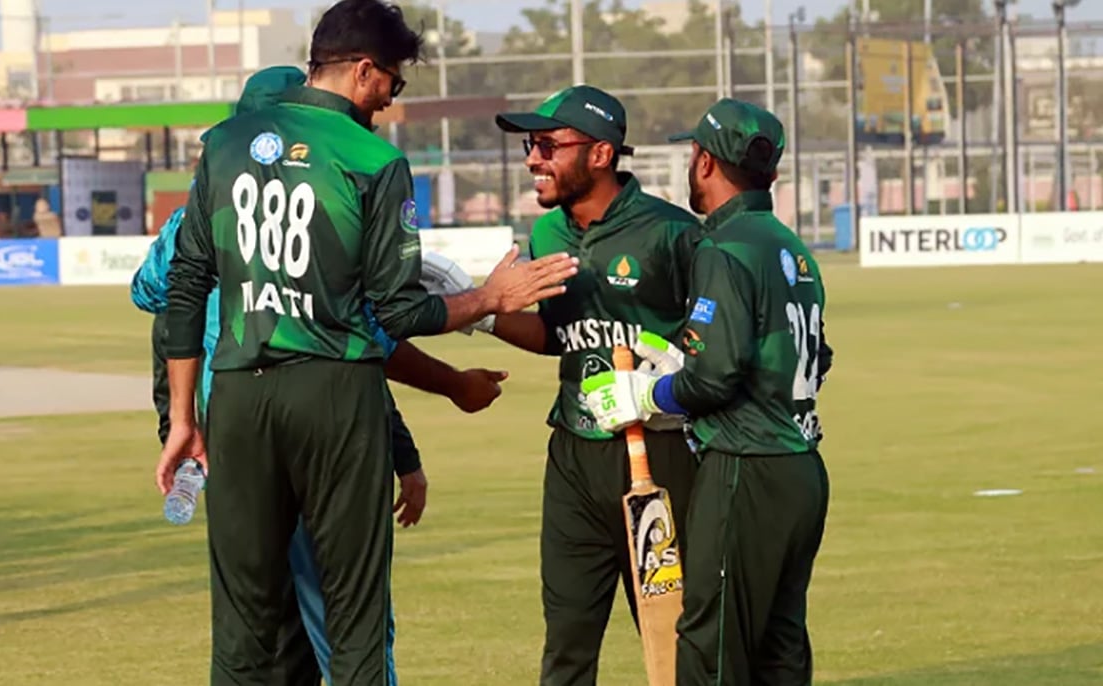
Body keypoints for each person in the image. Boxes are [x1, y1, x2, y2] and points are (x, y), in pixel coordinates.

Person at [156, 1, 579, 684]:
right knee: (353, 620)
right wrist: (489, 299)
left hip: (236, 397)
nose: (389, 99)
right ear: (361, 71)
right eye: (392, 82)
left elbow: (184, 287)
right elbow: (400, 308)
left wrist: (182, 419)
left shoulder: (226, 144)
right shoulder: (373, 159)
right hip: (335, 395)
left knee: (240, 625)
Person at [580, 98, 834, 686]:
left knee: (711, 645)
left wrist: (649, 394)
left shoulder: (723, 246)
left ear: (703, 162)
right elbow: (815, 359)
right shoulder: (790, 246)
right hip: (802, 468)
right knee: (780, 646)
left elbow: (714, 378)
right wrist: (683, 361)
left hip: (748, 467)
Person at [486, 84, 703, 686]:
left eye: (549, 145)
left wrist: (671, 373)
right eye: (532, 145)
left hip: (659, 454)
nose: (533, 158)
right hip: (574, 456)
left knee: (673, 634)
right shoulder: (549, 236)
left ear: (601, 154)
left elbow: (716, 341)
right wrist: (486, 310)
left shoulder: (672, 233)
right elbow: (557, 334)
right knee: (567, 641)